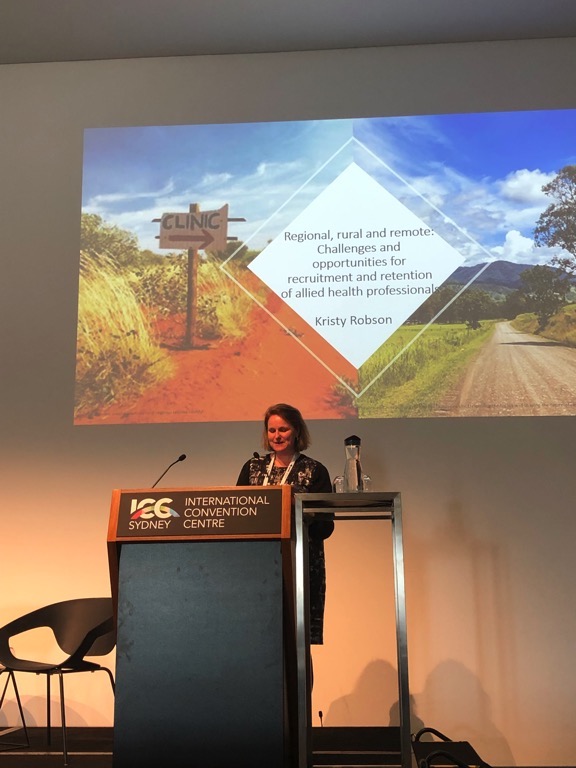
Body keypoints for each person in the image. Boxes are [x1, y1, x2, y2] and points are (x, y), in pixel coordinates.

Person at [236, 403, 334, 644]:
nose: (277, 436)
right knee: (259, 639)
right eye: (272, 430)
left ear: (297, 431)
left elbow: (326, 527)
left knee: (297, 642)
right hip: (258, 564)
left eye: (283, 429)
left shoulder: (315, 470)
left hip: (300, 563)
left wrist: (295, 508)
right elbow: (237, 513)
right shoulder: (252, 468)